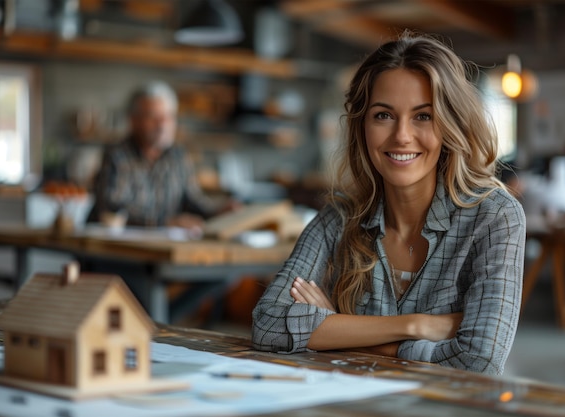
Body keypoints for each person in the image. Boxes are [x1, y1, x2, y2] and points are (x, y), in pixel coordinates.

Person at [252, 31, 526, 375]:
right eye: (383, 115)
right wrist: (416, 326)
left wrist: (338, 329)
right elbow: (268, 325)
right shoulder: (339, 217)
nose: (401, 136)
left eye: (423, 116)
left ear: (450, 124)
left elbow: (479, 359)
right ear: (362, 125)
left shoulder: (495, 215)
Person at [90, 81, 236, 232]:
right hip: (119, 249)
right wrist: (165, 223)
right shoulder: (117, 155)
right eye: (153, 117)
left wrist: (217, 212)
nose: (163, 124)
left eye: (169, 116)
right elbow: (113, 210)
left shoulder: (178, 156)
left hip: (165, 245)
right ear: (133, 121)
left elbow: (192, 201)